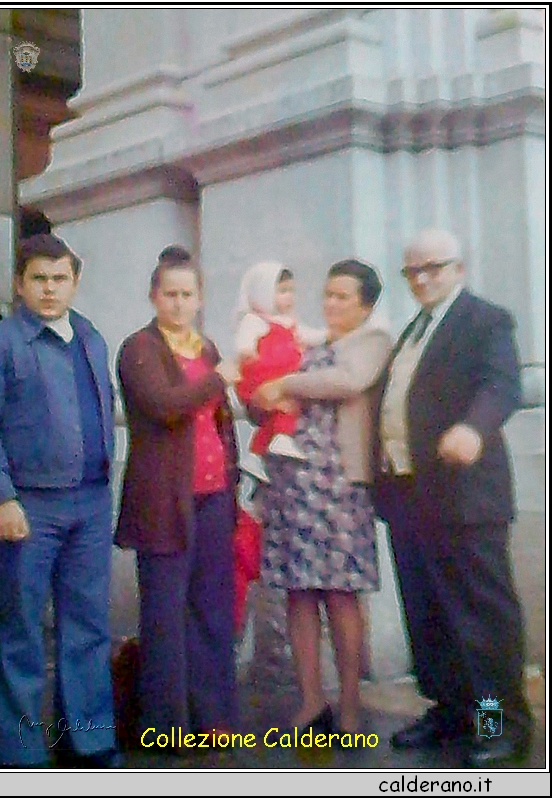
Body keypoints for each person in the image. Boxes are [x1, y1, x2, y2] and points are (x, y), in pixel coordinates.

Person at [374, 228, 533, 768]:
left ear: (458, 268)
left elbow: (501, 386)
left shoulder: (484, 320)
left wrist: (474, 428)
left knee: (482, 621)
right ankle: (448, 712)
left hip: (467, 501)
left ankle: (498, 726)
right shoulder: (416, 328)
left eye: (433, 268)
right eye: (412, 271)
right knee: (429, 614)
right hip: (410, 497)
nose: (421, 279)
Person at [0, 233, 118, 768]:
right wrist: (1, 498)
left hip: (89, 501)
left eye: (60, 278)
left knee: (87, 627)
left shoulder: (90, 336)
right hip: (28, 506)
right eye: (39, 278)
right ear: (20, 283)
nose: (50, 289)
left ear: (75, 282)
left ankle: (86, 740)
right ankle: (21, 754)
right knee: (20, 633)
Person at [254, 259, 392, 736]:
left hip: (339, 488)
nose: (331, 304)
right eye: (328, 294)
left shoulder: (372, 341)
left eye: (343, 297)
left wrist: (287, 384)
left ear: (367, 305)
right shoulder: (315, 342)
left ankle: (350, 704)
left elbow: (347, 382)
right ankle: (312, 701)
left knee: (341, 595)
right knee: (298, 592)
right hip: (294, 484)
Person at [115, 246, 239, 746]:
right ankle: (166, 730)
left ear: (199, 298)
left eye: (188, 294)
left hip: (214, 498)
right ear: (153, 295)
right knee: (164, 618)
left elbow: (218, 419)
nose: (180, 303)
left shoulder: (205, 348)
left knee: (212, 610)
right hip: (165, 502)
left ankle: (214, 721)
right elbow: (164, 406)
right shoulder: (139, 348)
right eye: (171, 294)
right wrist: (216, 380)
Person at [234, 261, 324, 462]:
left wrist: (329, 336)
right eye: (282, 291)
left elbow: (310, 335)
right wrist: (247, 352)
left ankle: (262, 450)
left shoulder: (289, 322)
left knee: (283, 410)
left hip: (282, 377)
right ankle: (276, 441)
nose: (289, 297)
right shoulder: (254, 320)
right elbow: (244, 345)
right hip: (262, 377)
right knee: (284, 407)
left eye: (291, 291)